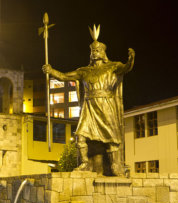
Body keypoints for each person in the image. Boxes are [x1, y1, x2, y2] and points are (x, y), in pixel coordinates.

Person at [43, 25, 135, 176]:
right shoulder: (84, 71)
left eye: (97, 50)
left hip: (106, 105)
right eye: (92, 50)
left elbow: (126, 68)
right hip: (89, 106)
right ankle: (85, 163)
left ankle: (115, 166)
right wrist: (51, 71)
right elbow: (66, 77)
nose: (94, 52)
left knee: (111, 136)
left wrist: (131, 59)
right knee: (81, 134)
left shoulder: (113, 67)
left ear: (104, 52)